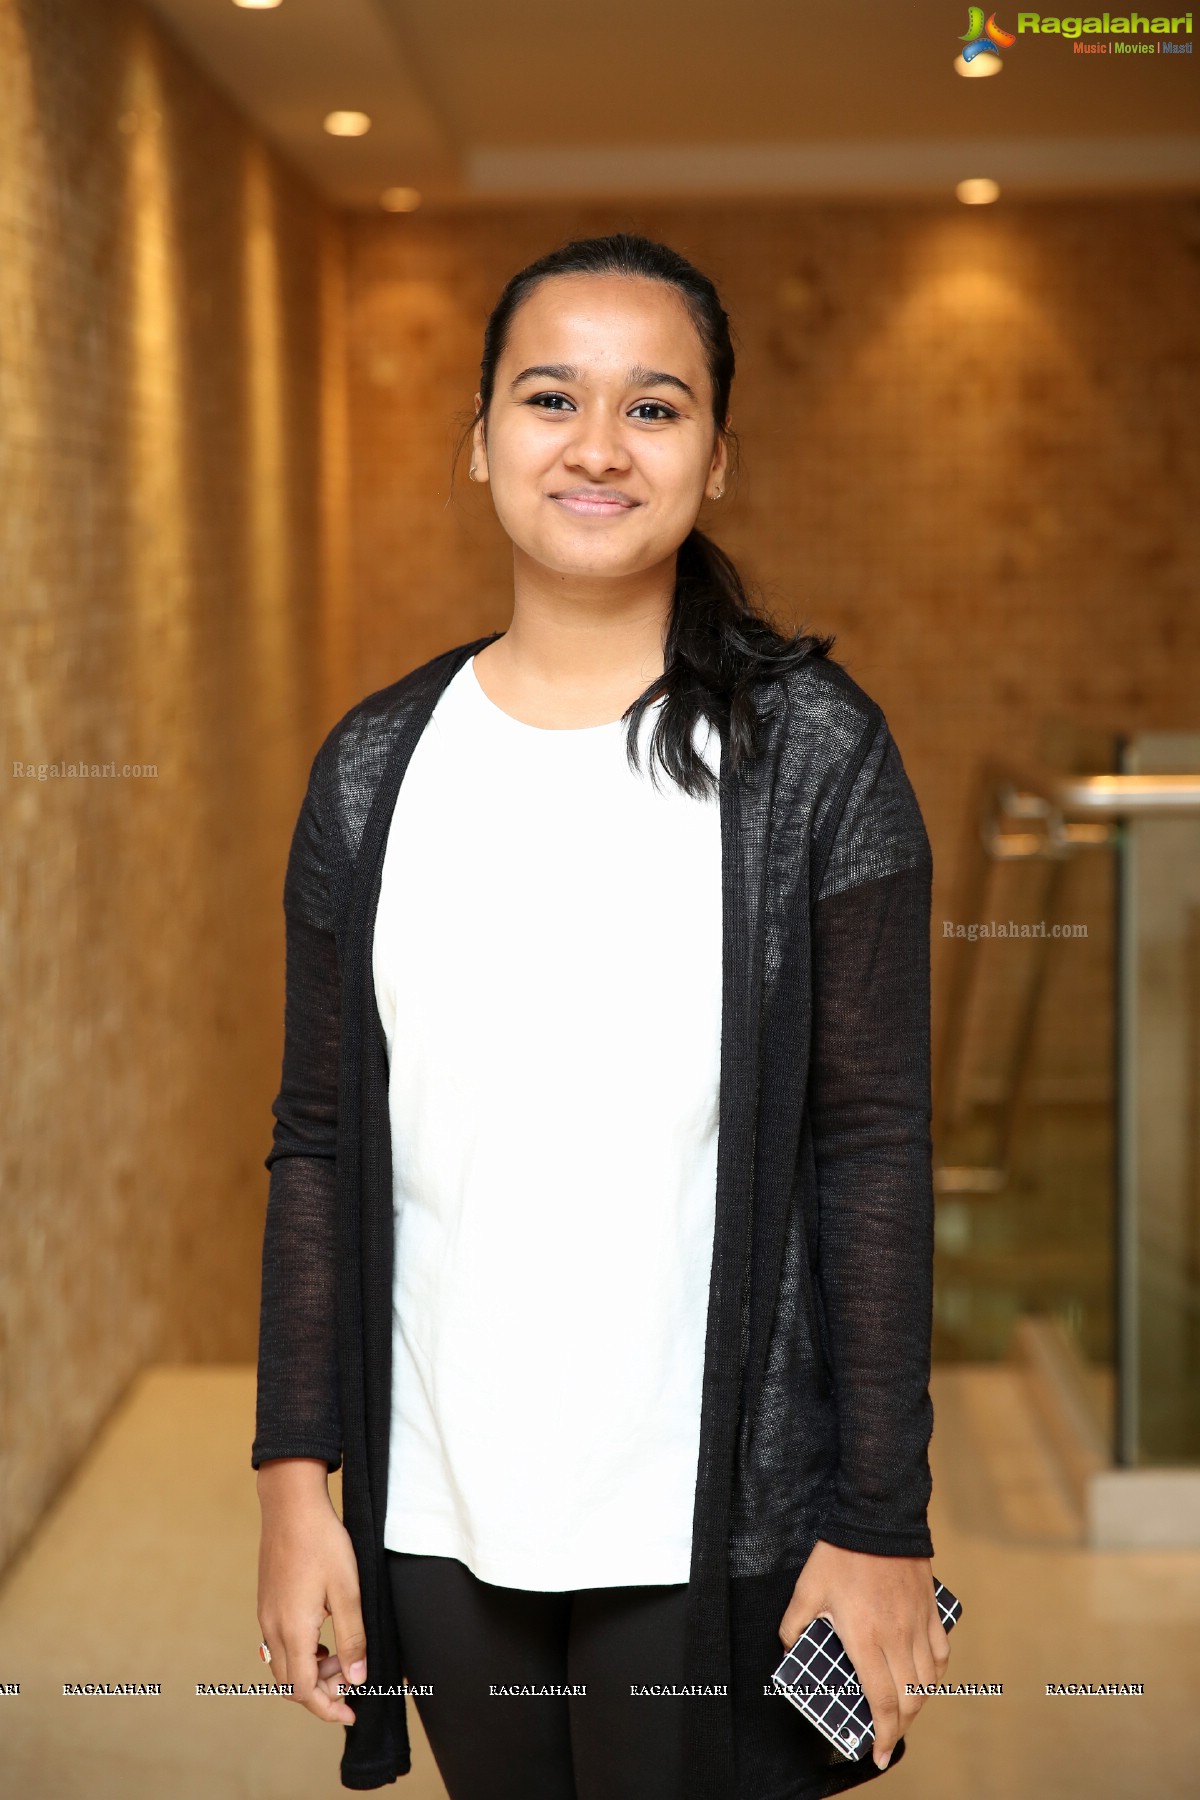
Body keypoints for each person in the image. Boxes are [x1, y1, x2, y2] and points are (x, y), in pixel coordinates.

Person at [252, 233, 951, 1800]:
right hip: (443, 1496)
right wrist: (298, 1486)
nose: (595, 444)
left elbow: (874, 1147)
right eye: (550, 395)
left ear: (718, 455)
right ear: (480, 436)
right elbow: (314, 1145)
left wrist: (879, 1519)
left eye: (655, 406)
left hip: (718, 1512)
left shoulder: (814, 762)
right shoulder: (373, 773)